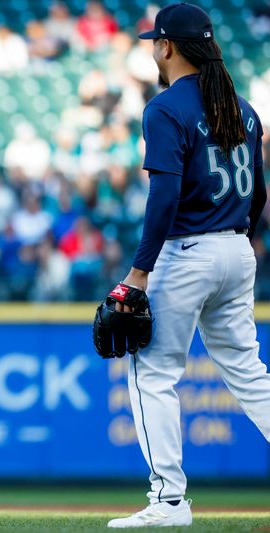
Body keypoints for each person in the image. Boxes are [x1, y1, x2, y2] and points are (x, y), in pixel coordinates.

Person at [105, 3, 270, 528]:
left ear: (167, 47)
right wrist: (240, 241)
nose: (154, 48)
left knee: (152, 374)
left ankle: (169, 502)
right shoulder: (242, 106)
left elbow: (165, 194)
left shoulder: (165, 107)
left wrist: (138, 272)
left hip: (188, 252)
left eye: (156, 41)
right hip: (237, 247)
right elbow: (260, 192)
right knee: (248, 374)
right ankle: (168, 501)